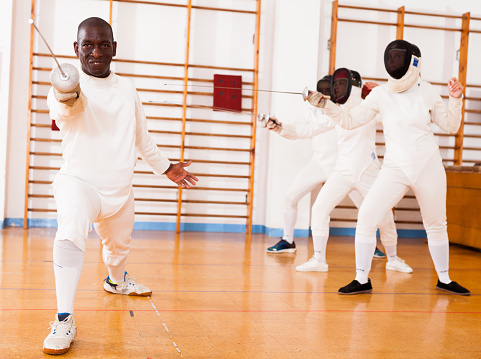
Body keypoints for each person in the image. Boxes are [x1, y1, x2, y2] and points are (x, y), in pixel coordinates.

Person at [43, 17, 198, 355]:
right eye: (88, 45)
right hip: (79, 184)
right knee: (70, 231)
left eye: (102, 45)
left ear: (114, 49)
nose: (95, 52)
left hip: (119, 190)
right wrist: (66, 92)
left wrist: (167, 168)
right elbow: (62, 112)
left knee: (119, 250)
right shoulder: (68, 86)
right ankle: (64, 318)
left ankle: (115, 282)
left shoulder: (127, 88)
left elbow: (141, 137)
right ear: (76, 49)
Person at [308, 39, 470, 296]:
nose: (393, 61)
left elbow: (450, 126)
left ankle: (445, 279)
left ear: (413, 62)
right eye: (390, 57)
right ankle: (362, 279)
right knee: (367, 217)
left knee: (436, 223)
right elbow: (350, 121)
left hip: (427, 165)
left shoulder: (426, 91)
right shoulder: (380, 95)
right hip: (395, 168)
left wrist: (455, 99)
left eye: (398, 57)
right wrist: (327, 106)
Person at [261, 69, 412, 273]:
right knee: (319, 209)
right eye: (337, 84)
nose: (338, 88)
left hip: (368, 169)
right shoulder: (335, 112)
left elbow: (398, 115)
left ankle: (393, 258)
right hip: (343, 170)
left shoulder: (371, 108)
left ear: (354, 86)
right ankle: (319, 259)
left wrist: (384, 93)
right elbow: (309, 129)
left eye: (342, 84)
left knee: (384, 215)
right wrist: (280, 128)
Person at [265, 76, 337, 254]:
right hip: (319, 163)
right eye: (322, 91)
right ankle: (288, 240)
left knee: (368, 206)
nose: (325, 95)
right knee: (290, 197)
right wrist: (280, 126)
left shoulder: (343, 110)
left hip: (343, 167)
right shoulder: (312, 111)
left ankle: (372, 245)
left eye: (329, 91)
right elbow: (299, 128)